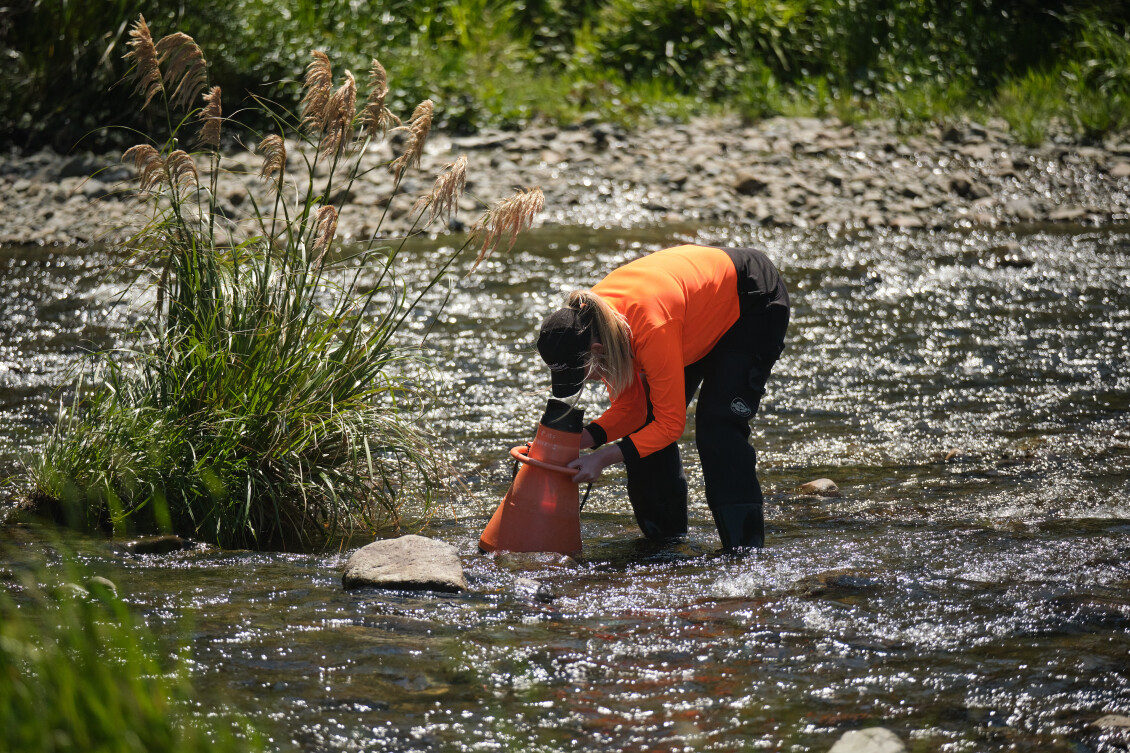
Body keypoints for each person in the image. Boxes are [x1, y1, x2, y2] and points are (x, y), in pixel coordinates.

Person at [536, 244, 789, 549]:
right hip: (690, 315)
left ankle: (744, 553)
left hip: (751, 302)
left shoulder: (649, 328)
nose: (588, 380)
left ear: (596, 353)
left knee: (718, 428)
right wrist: (577, 441)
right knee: (642, 432)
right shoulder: (590, 324)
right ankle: (664, 544)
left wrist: (603, 457)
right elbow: (632, 411)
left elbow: (670, 424)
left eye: (582, 373)